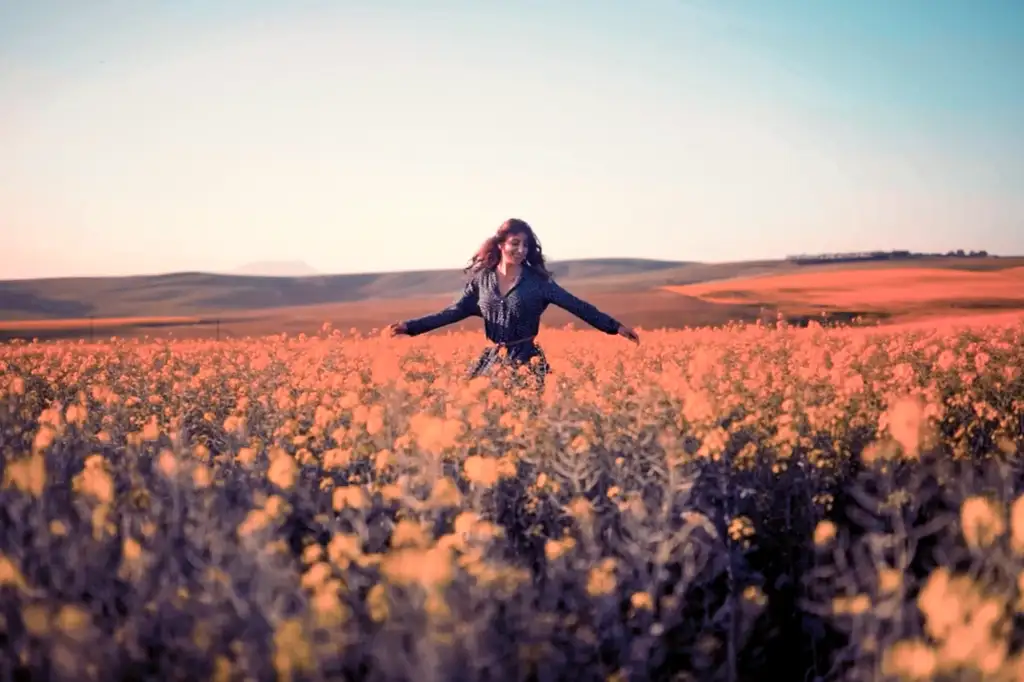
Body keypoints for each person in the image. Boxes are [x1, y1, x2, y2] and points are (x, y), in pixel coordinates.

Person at [384, 218, 640, 393]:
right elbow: (452, 312)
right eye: (515, 243)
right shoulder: (482, 280)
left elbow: (578, 306)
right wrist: (410, 326)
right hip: (492, 361)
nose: (521, 250)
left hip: (528, 362)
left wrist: (614, 327)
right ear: (501, 244)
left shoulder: (538, 282)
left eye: (526, 245)